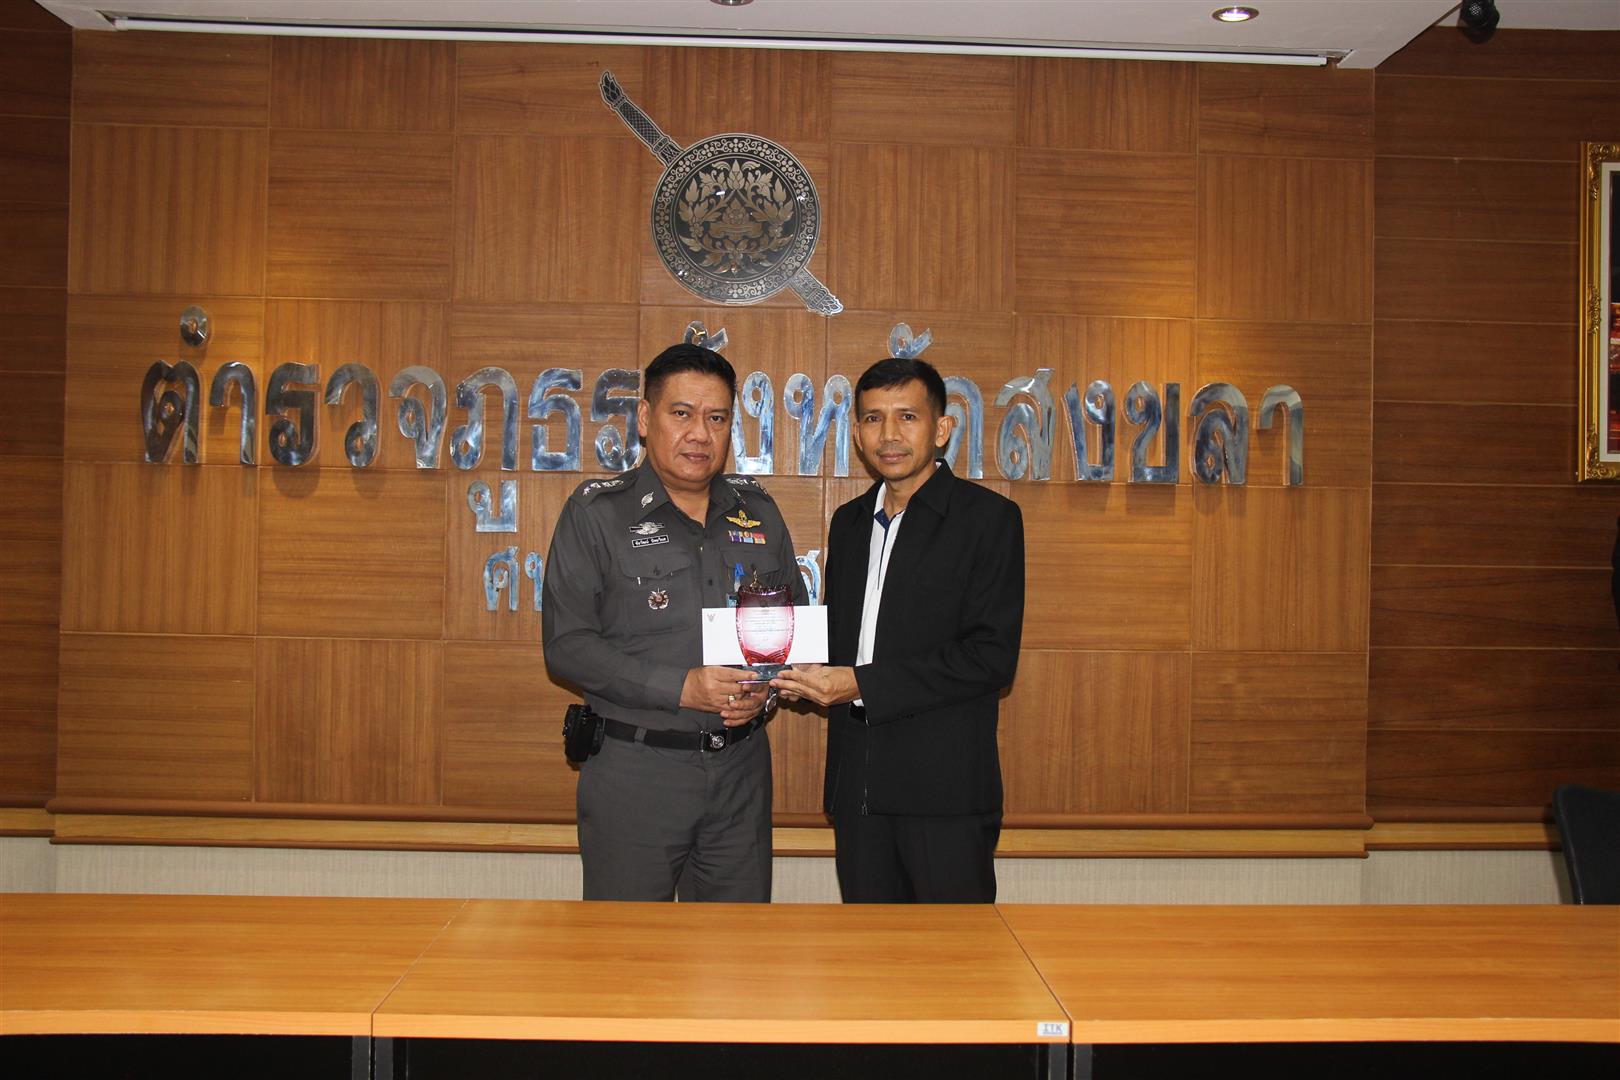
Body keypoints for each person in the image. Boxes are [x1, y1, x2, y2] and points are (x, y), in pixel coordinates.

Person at [542, 343, 805, 902]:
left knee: (735, 948)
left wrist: (765, 689)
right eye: (681, 413)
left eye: (717, 418)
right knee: (629, 949)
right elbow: (567, 645)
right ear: (644, 417)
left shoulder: (758, 511)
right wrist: (681, 687)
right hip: (636, 772)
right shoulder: (597, 514)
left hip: (740, 773)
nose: (700, 434)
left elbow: (792, 628)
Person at [772, 356, 1024, 903]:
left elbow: (990, 658)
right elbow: (844, 640)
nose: (889, 435)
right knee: (867, 953)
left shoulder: (988, 520)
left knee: (952, 953)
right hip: (856, 791)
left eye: (907, 417)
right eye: (872, 418)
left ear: (942, 428)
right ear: (857, 434)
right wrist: (790, 670)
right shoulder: (849, 522)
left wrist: (859, 683)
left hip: (945, 796)